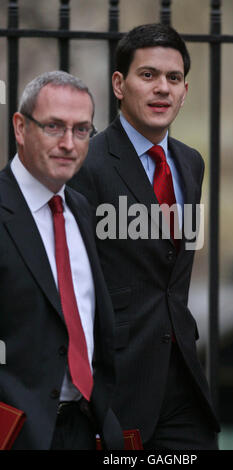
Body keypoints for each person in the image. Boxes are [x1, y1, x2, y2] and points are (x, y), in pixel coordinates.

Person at [70, 24, 220, 449]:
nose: (162, 89)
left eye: (173, 79)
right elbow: (72, 282)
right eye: (148, 75)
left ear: (185, 90)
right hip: (118, 386)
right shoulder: (87, 164)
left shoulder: (191, 164)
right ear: (119, 84)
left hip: (183, 381)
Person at [0, 71, 123, 450]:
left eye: (82, 130)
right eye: (54, 127)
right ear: (20, 128)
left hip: (86, 429)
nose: (68, 143)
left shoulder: (80, 210)